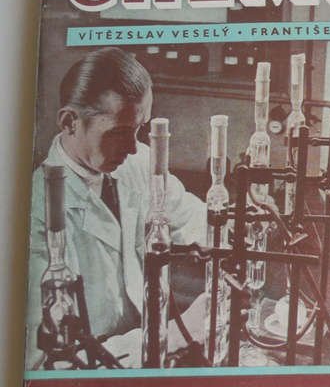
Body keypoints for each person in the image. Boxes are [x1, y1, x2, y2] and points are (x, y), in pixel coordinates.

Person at [25, 47, 206, 369]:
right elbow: (48, 362)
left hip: (153, 353)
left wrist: (240, 222)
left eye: (139, 128)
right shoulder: (35, 212)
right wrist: (175, 335)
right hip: (96, 377)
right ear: (69, 122)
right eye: (120, 132)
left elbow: (196, 220)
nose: (134, 146)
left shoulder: (137, 164)